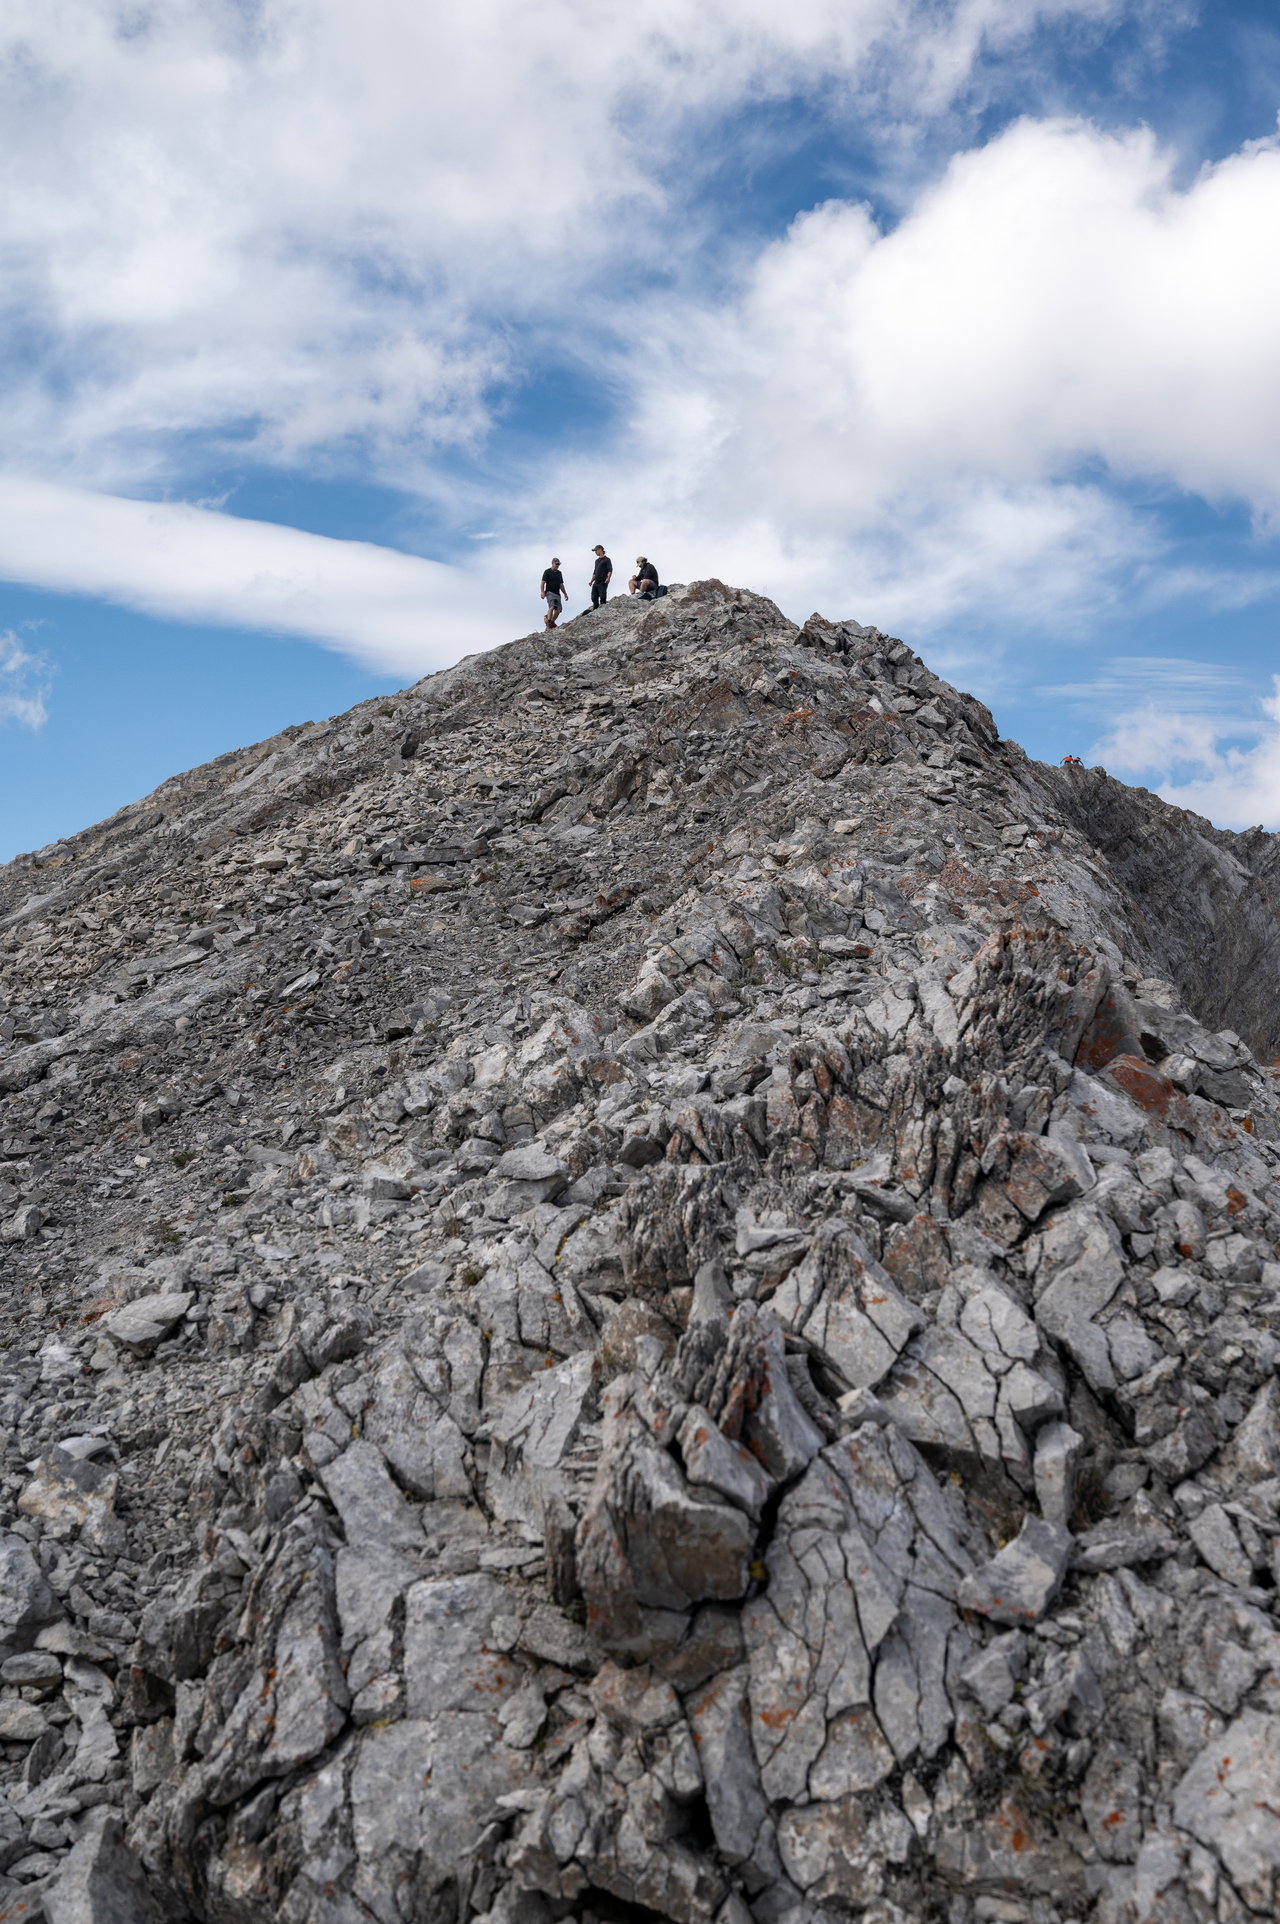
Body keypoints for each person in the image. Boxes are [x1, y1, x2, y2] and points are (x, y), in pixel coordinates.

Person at [540, 558, 565, 630]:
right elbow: (543, 582)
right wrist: (542, 592)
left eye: (558, 564)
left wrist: (565, 594)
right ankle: (549, 621)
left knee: (558, 610)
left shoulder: (559, 573)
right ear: (552, 563)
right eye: (556, 564)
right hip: (549, 592)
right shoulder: (547, 572)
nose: (557, 565)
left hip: (557, 593)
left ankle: (551, 623)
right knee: (552, 606)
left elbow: (561, 584)